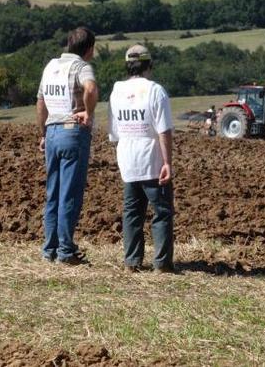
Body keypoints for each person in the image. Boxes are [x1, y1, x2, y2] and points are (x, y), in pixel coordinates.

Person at [107, 44, 175, 273]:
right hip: (152, 161)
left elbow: (114, 132)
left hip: (127, 160)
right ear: (149, 65)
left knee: (132, 212)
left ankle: (132, 262)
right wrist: (167, 163)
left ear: (128, 66)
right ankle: (161, 264)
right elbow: (163, 130)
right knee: (162, 212)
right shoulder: (155, 90)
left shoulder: (116, 91)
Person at [36, 27, 98, 265]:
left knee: (53, 194)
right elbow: (90, 88)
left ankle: (49, 250)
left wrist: (42, 133)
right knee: (70, 195)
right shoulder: (82, 67)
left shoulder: (50, 67)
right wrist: (88, 113)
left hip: (51, 132)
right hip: (72, 133)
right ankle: (65, 251)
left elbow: (40, 102)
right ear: (89, 49)